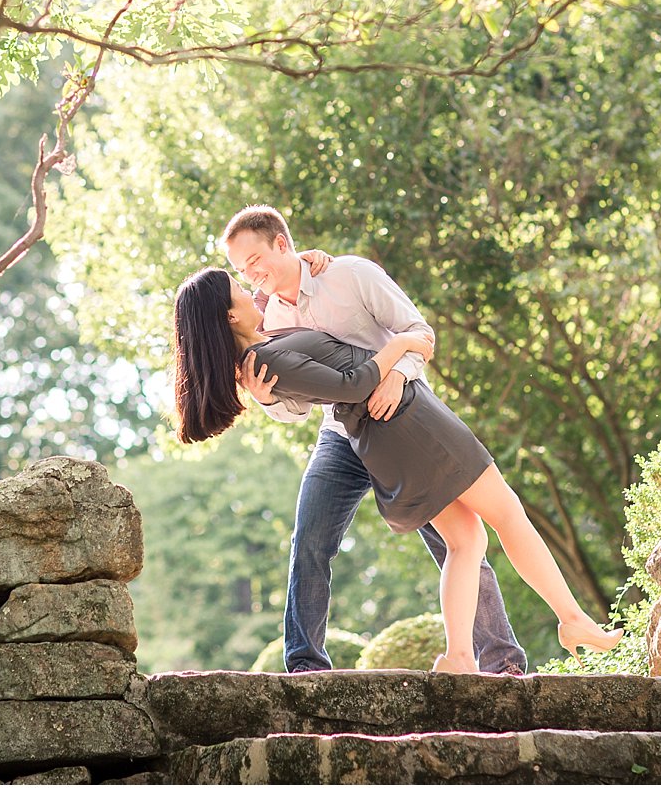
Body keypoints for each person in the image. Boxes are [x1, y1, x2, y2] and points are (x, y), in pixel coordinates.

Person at [172, 266, 622, 672]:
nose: (252, 291)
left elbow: (276, 295)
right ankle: (571, 620)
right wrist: (402, 344)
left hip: (396, 426)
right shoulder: (263, 363)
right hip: (408, 421)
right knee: (506, 514)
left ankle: (461, 657)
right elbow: (354, 385)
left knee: (466, 541)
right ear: (230, 317)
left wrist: (302, 261)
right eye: (240, 290)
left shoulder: (264, 343)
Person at [220, 207, 526, 675]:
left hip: (399, 426)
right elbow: (298, 402)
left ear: (282, 244)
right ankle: (305, 665)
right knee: (310, 539)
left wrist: (397, 377)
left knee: (457, 541)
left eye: (255, 259)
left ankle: (501, 660)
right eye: (242, 269)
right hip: (341, 435)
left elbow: (418, 332)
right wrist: (266, 401)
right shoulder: (269, 319)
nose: (251, 274)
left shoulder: (347, 274)